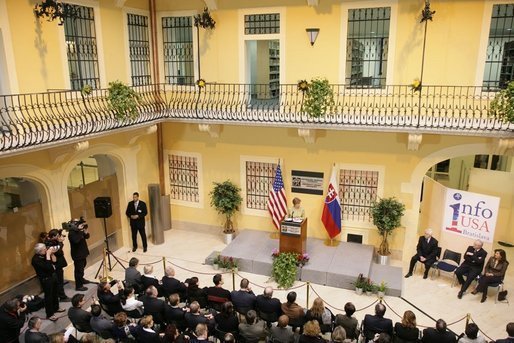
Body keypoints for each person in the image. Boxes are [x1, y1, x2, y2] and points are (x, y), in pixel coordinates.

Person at [31, 243, 63, 321]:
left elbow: (55, 262)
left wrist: (51, 254)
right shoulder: (35, 260)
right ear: (39, 251)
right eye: (44, 249)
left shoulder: (46, 254)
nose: (46, 250)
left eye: (46, 248)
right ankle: (50, 314)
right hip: (46, 279)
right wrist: (48, 255)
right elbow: (48, 267)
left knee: (55, 293)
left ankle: (56, 307)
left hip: (53, 276)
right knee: (48, 296)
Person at [46, 228, 70, 301]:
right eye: (57, 236)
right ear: (53, 236)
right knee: (59, 282)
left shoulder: (53, 241)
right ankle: (62, 296)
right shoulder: (50, 243)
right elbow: (58, 252)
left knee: (60, 281)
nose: (58, 237)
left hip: (58, 264)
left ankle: (60, 295)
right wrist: (60, 242)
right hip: (56, 265)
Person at [68, 218, 91, 291]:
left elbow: (87, 237)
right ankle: (79, 286)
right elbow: (76, 241)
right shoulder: (71, 233)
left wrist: (85, 231)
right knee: (79, 270)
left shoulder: (79, 231)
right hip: (77, 255)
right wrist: (81, 232)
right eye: (78, 223)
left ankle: (81, 279)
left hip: (83, 252)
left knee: (83, 266)